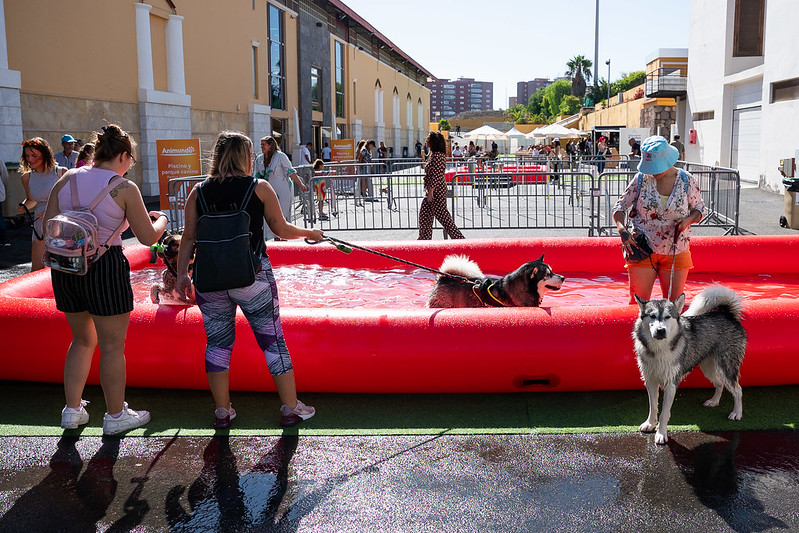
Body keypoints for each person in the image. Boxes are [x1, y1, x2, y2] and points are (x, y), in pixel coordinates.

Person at [176, 131, 324, 429]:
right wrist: (311, 234)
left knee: (217, 343)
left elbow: (189, 238)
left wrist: (181, 274)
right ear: (246, 158)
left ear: (217, 156)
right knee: (272, 341)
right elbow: (280, 228)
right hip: (252, 278)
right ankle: (291, 407)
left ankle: (222, 410)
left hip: (210, 279)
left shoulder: (198, 191)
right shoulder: (259, 187)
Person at [41, 124, 168, 434]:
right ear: (124, 155)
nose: (130, 165)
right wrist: (162, 218)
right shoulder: (123, 188)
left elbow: (48, 226)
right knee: (112, 347)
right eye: (132, 160)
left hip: (66, 265)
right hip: (105, 266)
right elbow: (148, 237)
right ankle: (115, 416)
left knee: (81, 340)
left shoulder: (67, 178)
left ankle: (72, 411)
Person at [612, 135, 705, 304]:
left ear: (668, 161)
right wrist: (622, 229)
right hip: (643, 250)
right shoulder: (641, 179)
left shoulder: (686, 180)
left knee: (674, 306)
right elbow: (620, 206)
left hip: (676, 250)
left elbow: (699, 209)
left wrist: (687, 221)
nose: (653, 172)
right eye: (651, 168)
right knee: (638, 304)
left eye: (657, 168)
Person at [18, 137, 67, 271]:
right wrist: (24, 206)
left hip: (60, 224)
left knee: (61, 268)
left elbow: (70, 200)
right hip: (39, 226)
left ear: (44, 154)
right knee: (37, 269)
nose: (30, 159)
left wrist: (51, 210)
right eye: (27, 156)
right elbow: (31, 200)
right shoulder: (27, 177)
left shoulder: (61, 172)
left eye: (34, 155)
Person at [253, 136, 307, 239]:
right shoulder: (259, 159)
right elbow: (256, 176)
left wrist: (300, 184)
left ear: (270, 145)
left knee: (281, 216)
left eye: (263, 144)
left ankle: (283, 239)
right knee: (269, 217)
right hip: (267, 192)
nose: (261, 147)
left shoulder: (280, 156)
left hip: (282, 191)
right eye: (261, 145)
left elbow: (290, 172)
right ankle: (273, 239)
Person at [418, 131, 465, 240]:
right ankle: (423, 241)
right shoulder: (433, 154)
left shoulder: (438, 156)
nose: (426, 141)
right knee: (425, 216)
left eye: (428, 139)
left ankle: (460, 240)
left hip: (436, 191)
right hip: (432, 190)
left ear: (433, 142)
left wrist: (431, 192)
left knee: (444, 218)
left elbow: (437, 175)